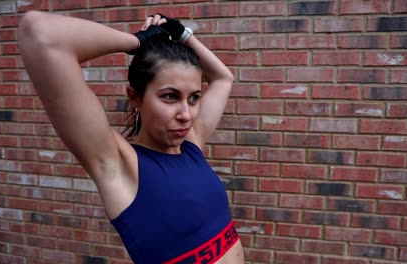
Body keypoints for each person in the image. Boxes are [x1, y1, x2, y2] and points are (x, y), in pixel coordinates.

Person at [18, 10, 244, 264]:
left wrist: (181, 34)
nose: (186, 114)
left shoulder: (191, 146)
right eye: (170, 96)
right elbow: (39, 31)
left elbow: (223, 78)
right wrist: (137, 42)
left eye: (193, 98)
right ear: (135, 98)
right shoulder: (119, 163)